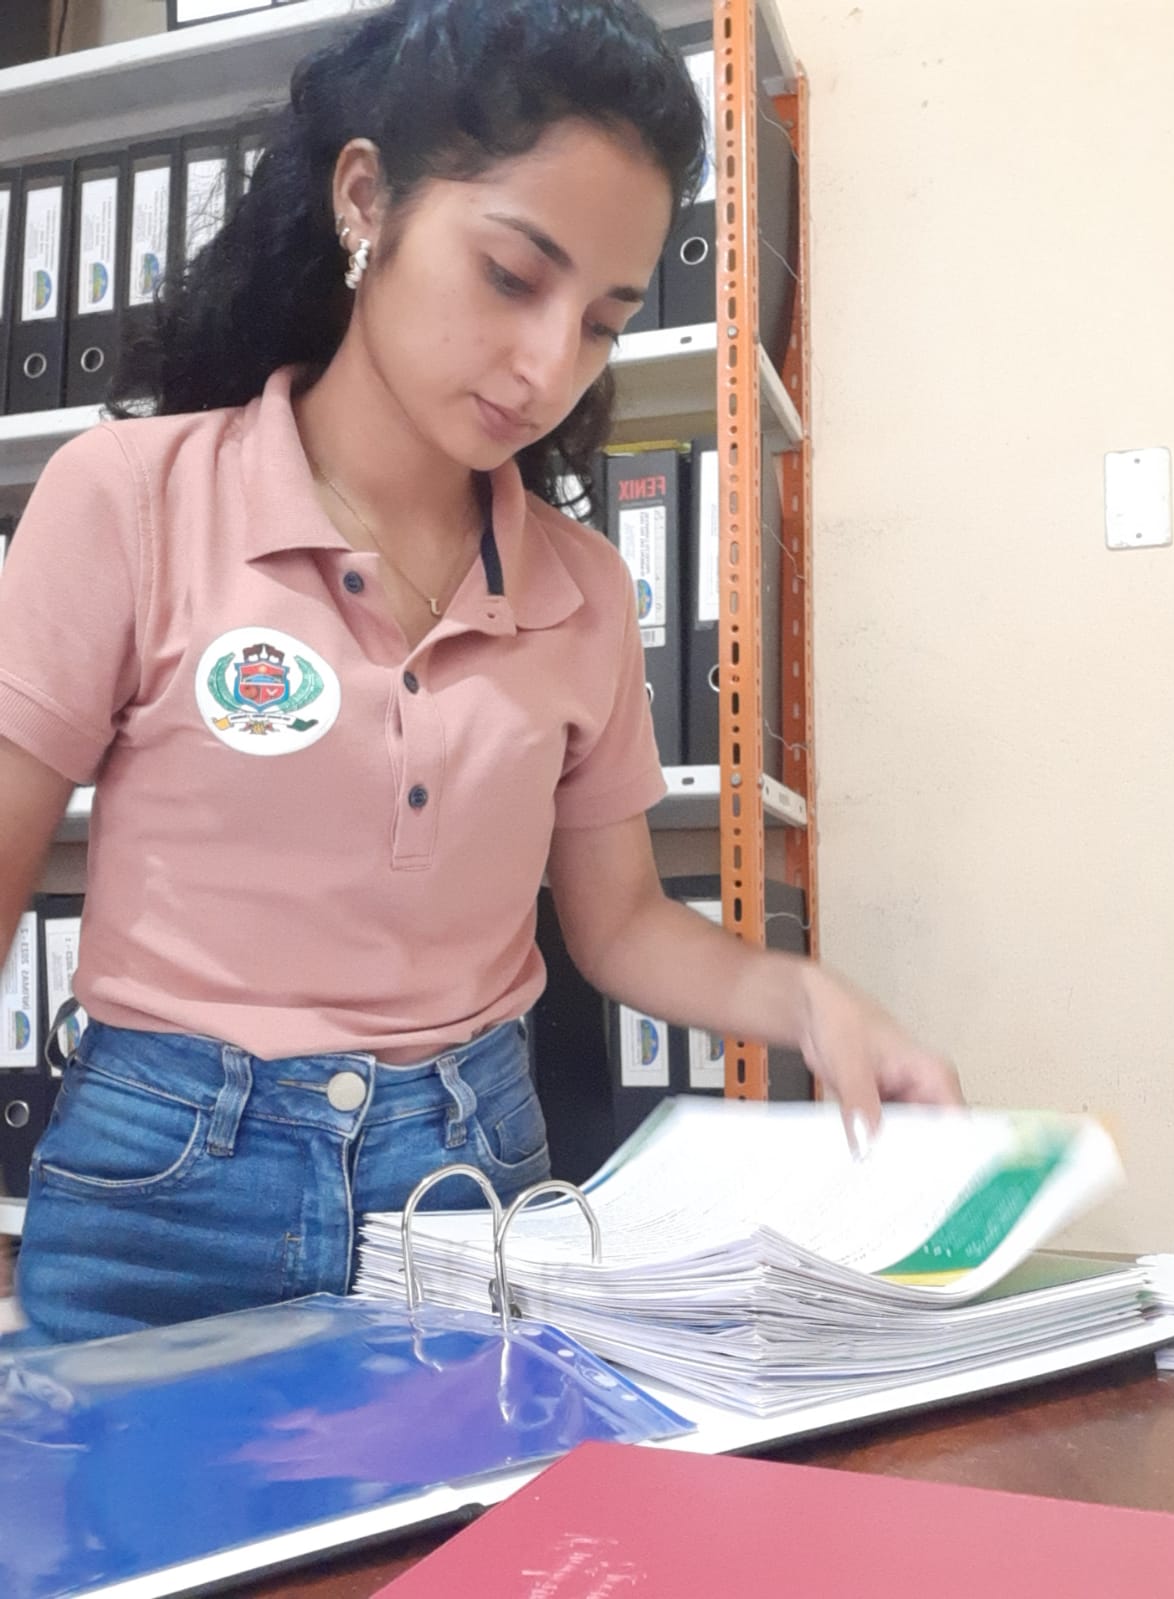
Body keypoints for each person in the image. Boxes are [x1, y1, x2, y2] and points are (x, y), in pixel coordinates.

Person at [0, 0, 959, 1348]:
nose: (548, 365)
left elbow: (620, 924)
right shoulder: (133, 499)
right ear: (365, 201)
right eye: (513, 277)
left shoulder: (581, 587)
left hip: (468, 1187)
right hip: (166, 1193)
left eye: (603, 322)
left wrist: (807, 998)